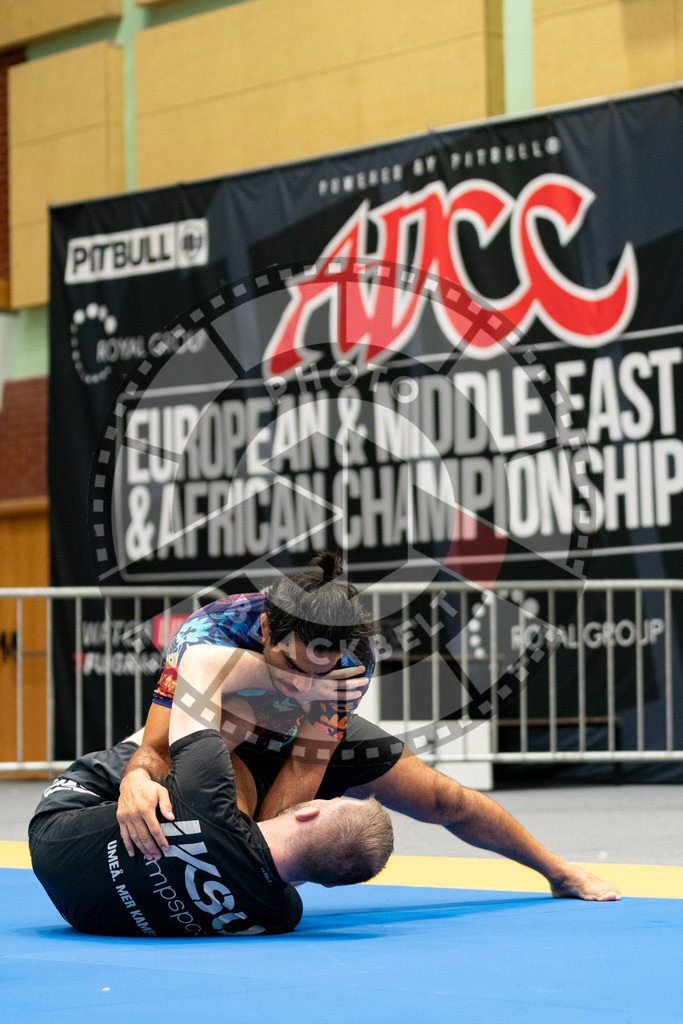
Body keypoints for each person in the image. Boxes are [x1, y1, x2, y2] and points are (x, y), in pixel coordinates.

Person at [117, 549, 621, 902]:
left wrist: (274, 853)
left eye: (319, 673)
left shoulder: (353, 657)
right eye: (289, 669)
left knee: (445, 798)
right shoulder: (206, 634)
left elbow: (301, 778)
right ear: (267, 629)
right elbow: (157, 745)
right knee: (233, 820)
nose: (303, 682)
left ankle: (557, 871)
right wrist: (137, 778)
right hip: (230, 739)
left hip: (303, 740)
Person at [29, 716, 394, 938]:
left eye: (329, 800)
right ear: (327, 882)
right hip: (84, 911)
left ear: (309, 813)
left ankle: (132, 778)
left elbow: (199, 670)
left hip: (55, 835)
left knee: (218, 727)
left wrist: (139, 774)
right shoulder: (283, 914)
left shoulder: (208, 795)